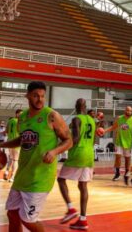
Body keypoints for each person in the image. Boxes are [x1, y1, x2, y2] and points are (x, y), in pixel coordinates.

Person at [0, 81, 72, 232]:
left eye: (42, 96)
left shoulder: (51, 116)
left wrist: (54, 152)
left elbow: (69, 140)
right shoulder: (23, 117)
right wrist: (1, 146)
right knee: (12, 214)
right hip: (22, 175)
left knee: (28, 220)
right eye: (36, 96)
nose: (40, 99)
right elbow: (22, 139)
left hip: (40, 177)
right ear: (28, 96)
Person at [57, 98, 95, 230]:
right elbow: (94, 138)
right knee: (83, 186)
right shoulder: (92, 120)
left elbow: (77, 138)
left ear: (76, 106)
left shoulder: (76, 119)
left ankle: (70, 209)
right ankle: (83, 220)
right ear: (85, 107)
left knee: (61, 180)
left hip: (78, 154)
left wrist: (62, 145)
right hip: (90, 155)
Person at [102, 106, 132, 184]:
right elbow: (113, 127)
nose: (129, 112)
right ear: (125, 110)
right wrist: (104, 131)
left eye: (130, 111)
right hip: (119, 141)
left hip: (128, 143)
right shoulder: (119, 118)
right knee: (118, 157)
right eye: (128, 110)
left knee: (127, 160)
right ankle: (117, 173)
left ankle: (126, 173)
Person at [5, 109, 22, 182]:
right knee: (15, 160)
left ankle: (6, 172)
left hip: (10, 142)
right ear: (17, 114)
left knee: (11, 159)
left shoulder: (10, 121)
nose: (21, 115)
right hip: (16, 143)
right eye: (20, 114)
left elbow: (6, 131)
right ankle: (12, 177)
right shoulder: (19, 122)